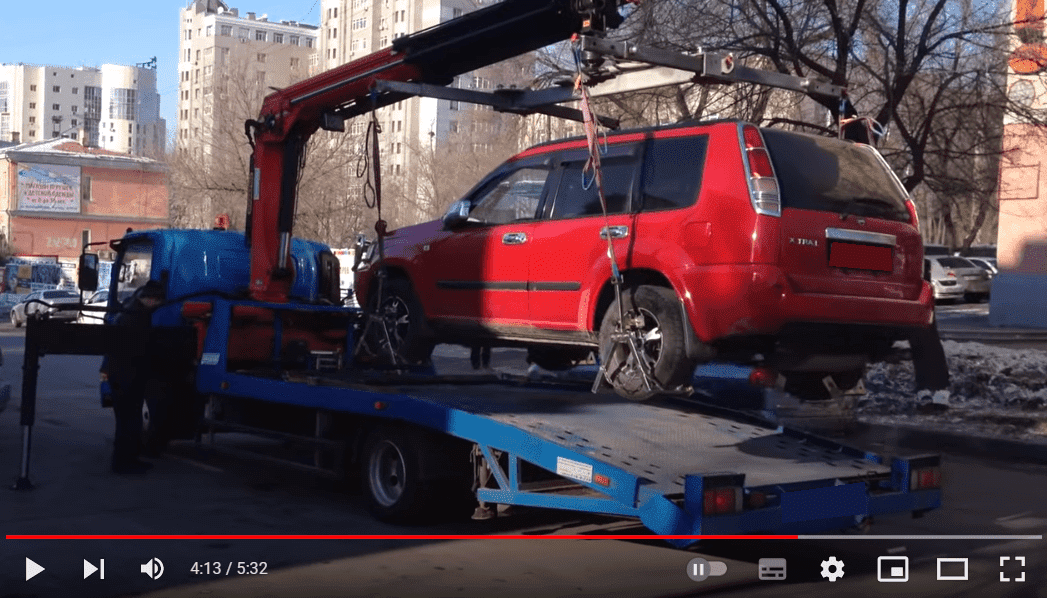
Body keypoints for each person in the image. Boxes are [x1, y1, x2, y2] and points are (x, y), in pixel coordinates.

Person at [107, 280, 164, 474]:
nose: (157, 304)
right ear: (148, 299)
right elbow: (137, 349)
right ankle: (124, 463)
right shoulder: (137, 316)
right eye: (156, 300)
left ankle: (127, 460)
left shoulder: (129, 310)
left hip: (123, 375)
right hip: (128, 377)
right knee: (129, 421)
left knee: (127, 421)